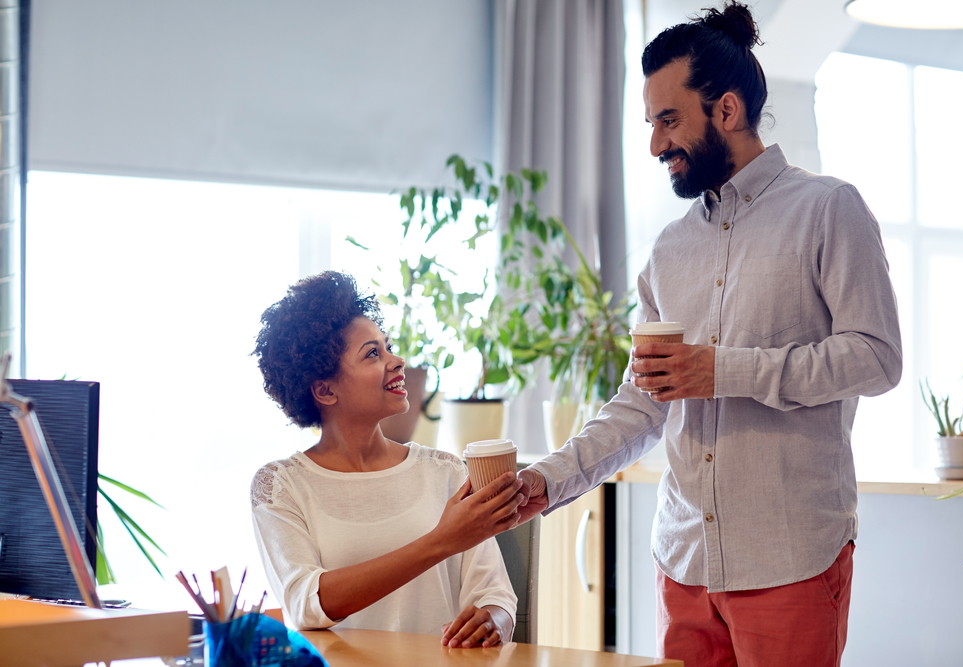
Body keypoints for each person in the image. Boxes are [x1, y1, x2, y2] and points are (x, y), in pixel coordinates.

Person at [515, 3, 902, 666]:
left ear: (726, 110)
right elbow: (643, 401)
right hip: (683, 564)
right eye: (650, 123)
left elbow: (876, 357)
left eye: (669, 120)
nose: (654, 145)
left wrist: (725, 370)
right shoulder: (668, 252)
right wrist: (548, 481)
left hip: (792, 559)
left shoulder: (829, 209)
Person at [250, 271, 521, 648]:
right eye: (373, 354)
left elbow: (495, 595)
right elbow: (307, 605)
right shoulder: (281, 486)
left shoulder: (445, 471)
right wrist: (439, 542)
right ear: (325, 390)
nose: (397, 361)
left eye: (388, 346)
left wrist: (492, 621)